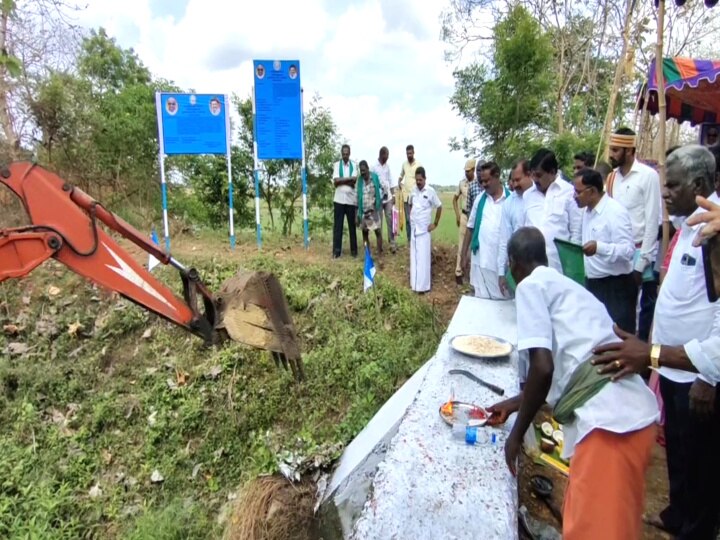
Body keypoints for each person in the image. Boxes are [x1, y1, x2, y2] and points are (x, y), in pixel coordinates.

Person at [488, 226, 659, 540]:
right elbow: (571, 369)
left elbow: (543, 369)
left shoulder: (529, 287)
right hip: (633, 419)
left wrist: (515, 437)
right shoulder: (567, 287)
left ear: (514, 263)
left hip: (609, 430)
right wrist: (514, 405)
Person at [592, 145, 720, 540]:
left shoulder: (715, 232)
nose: (665, 194)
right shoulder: (690, 223)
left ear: (699, 185)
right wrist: (650, 347)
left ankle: (696, 530)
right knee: (679, 452)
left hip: (698, 372)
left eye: (673, 186)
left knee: (703, 462)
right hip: (672, 365)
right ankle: (676, 515)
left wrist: (710, 378)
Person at [606, 127, 662, 342]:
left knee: (637, 314)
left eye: (616, 150)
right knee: (615, 311)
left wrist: (641, 265)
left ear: (630, 150)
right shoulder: (611, 179)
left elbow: (652, 223)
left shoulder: (648, 176)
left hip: (638, 254)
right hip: (614, 255)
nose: (611, 154)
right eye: (611, 149)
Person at [573, 168, 637, 333]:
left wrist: (599, 247)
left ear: (592, 191)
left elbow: (628, 250)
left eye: (578, 192)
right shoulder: (586, 212)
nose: (574, 196)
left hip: (616, 288)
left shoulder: (615, 212)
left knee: (619, 338)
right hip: (594, 285)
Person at [523, 148, 582, 273]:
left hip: (560, 268)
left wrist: (571, 267)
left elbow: (576, 233)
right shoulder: (528, 195)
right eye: (532, 174)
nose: (534, 179)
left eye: (538, 175)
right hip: (532, 267)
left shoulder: (569, 192)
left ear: (552, 172)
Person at [460, 161, 509, 299]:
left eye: (487, 181)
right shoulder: (480, 199)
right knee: (481, 301)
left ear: (497, 176)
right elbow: (470, 228)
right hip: (479, 261)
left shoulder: (510, 200)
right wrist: (464, 255)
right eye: (482, 181)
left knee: (502, 303)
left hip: (500, 264)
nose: (484, 185)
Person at [497, 159, 535, 296]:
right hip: (516, 268)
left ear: (530, 175)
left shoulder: (542, 198)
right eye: (513, 181)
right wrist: (502, 272)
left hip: (540, 268)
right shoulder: (509, 203)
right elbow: (504, 239)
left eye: (518, 180)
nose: (514, 185)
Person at [409, 167, 442, 293]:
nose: (418, 182)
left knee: (423, 260)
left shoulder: (430, 191)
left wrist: (435, 223)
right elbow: (410, 203)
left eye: (420, 180)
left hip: (424, 231)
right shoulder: (413, 190)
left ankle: (423, 287)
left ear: (425, 179)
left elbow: (439, 206)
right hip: (414, 230)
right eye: (417, 180)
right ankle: (414, 285)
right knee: (414, 258)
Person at [332, 144, 358, 258]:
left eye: (347, 153)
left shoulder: (354, 165)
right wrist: (348, 180)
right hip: (338, 200)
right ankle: (336, 252)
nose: (345, 155)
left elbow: (354, 181)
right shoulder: (337, 165)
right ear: (341, 153)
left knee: (352, 227)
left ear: (350, 153)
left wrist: (341, 181)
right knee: (338, 227)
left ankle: (354, 252)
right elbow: (336, 181)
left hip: (351, 201)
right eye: (343, 153)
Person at [453, 159, 476, 284]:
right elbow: (454, 199)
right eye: (465, 171)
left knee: (472, 246)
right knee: (462, 244)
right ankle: (458, 272)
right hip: (464, 216)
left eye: (469, 171)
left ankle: (471, 273)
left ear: (474, 170)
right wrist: (457, 215)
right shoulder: (462, 184)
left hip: (475, 217)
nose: (467, 173)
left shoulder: (478, 184)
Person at [356, 160, 383, 257]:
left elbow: (381, 189)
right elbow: (357, 197)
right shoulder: (359, 181)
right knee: (364, 233)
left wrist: (378, 203)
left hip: (374, 210)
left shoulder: (374, 177)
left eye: (364, 170)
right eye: (361, 171)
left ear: (367, 168)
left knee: (378, 232)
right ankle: (367, 255)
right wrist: (357, 214)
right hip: (363, 211)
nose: (362, 172)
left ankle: (380, 254)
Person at [372, 147, 396, 253]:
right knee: (379, 222)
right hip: (378, 198)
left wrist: (394, 195)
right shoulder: (373, 167)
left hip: (388, 198)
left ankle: (392, 244)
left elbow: (390, 181)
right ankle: (379, 246)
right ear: (381, 155)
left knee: (390, 220)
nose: (387, 158)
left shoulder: (388, 167)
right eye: (386, 156)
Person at [398, 145, 422, 243]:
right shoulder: (404, 164)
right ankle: (409, 240)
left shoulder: (418, 165)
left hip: (415, 196)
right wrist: (399, 181)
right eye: (407, 153)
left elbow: (421, 179)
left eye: (410, 153)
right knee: (408, 219)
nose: (409, 155)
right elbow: (401, 175)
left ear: (414, 153)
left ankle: (416, 238)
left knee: (415, 218)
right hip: (405, 196)